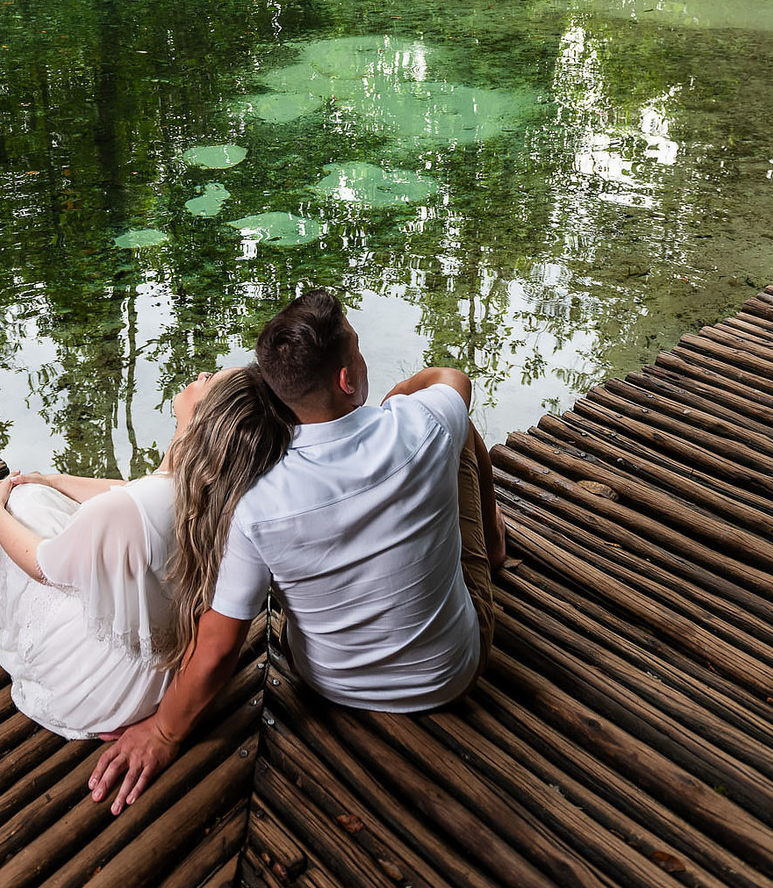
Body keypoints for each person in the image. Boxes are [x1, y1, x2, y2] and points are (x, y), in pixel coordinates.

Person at [89, 289, 506, 814]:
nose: (361, 356)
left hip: (328, 683)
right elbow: (454, 382)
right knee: (463, 432)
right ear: (347, 379)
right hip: (449, 674)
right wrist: (399, 396)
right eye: (357, 349)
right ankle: (490, 552)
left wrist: (166, 734)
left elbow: (218, 646)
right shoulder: (421, 425)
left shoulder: (256, 502)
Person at [0, 364, 293, 741]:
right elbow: (131, 491)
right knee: (44, 495)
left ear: (205, 417)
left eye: (209, 379)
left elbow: (41, 565)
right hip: (152, 679)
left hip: (97, 683)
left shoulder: (129, 511)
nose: (199, 375)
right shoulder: (218, 496)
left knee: (23, 502)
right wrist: (54, 481)